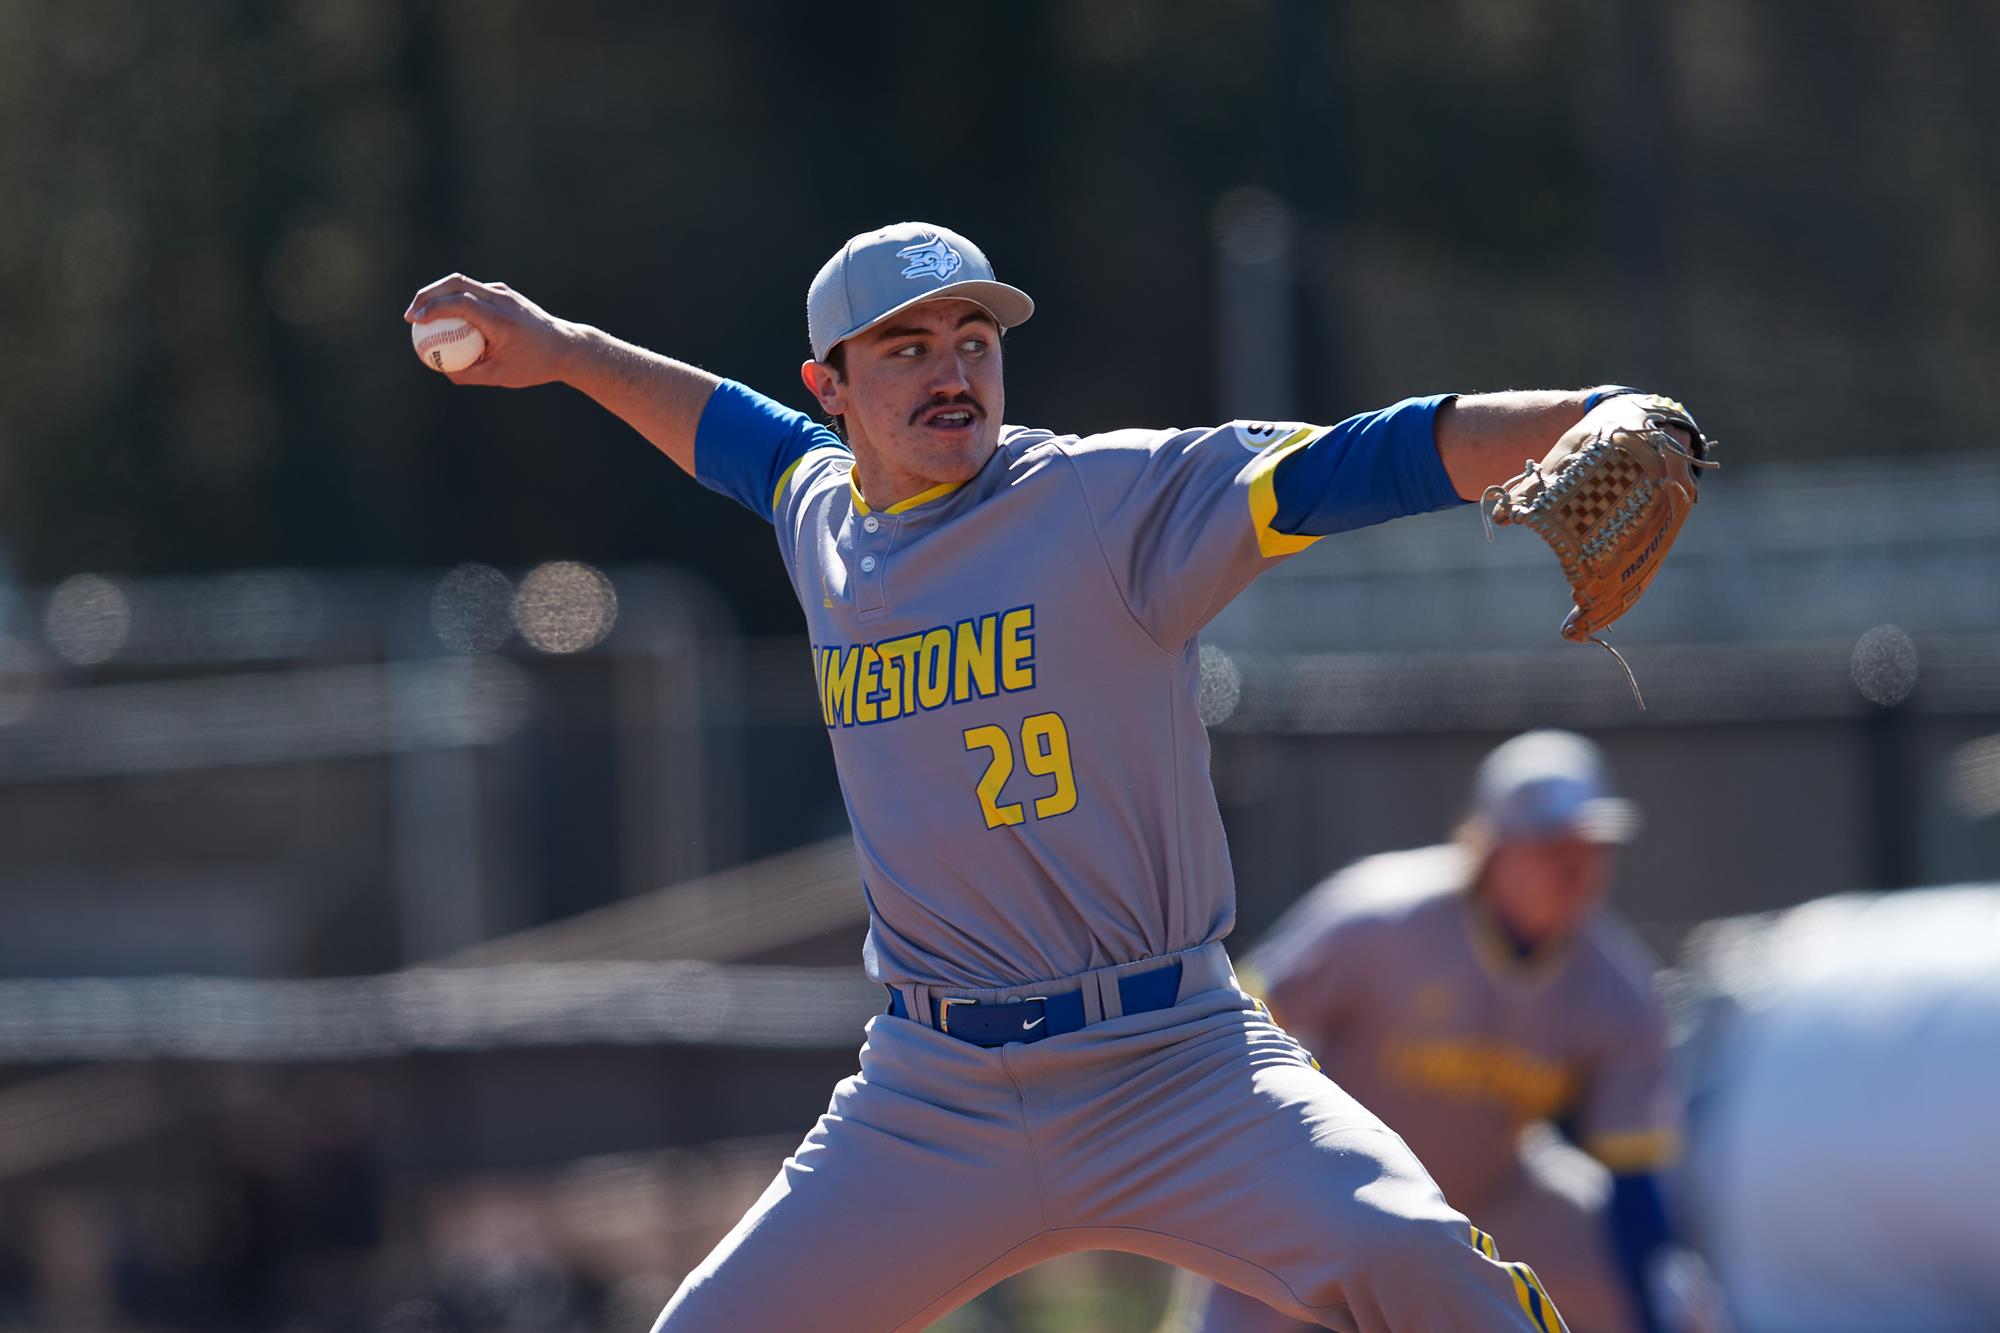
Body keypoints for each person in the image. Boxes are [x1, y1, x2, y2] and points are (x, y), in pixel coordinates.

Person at [401, 222, 1678, 1332]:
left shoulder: (1103, 502)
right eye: (905, 347)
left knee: (1412, 1257)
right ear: (831, 388)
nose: (952, 370)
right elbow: (722, 429)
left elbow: (1358, 459)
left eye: (974, 338)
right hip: (932, 1093)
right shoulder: (820, 520)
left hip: (1175, 1061)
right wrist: (563, 348)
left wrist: (1578, 418)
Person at [1186, 731, 1727, 1333]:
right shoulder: (1381, 919)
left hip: (1490, 1195)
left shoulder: (1617, 989)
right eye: (1551, 846)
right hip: (1331, 1185)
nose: (1576, 866)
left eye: (1591, 845)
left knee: (1678, 1300)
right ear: (1492, 847)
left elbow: (1633, 1173)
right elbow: (1240, 1016)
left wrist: (1651, 1309)